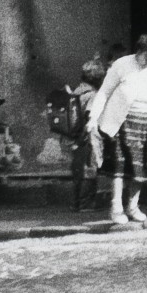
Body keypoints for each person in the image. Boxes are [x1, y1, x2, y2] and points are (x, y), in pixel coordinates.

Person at [86, 34, 147, 225]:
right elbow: (104, 92)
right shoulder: (121, 65)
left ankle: (133, 206)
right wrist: (93, 118)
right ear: (139, 51)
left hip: (146, 122)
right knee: (120, 168)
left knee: (141, 169)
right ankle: (116, 208)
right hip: (122, 122)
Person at [64, 59, 106, 211]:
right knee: (90, 169)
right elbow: (90, 117)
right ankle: (86, 203)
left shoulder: (76, 92)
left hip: (73, 137)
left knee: (77, 171)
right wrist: (85, 138)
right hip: (87, 138)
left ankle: (75, 203)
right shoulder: (92, 95)